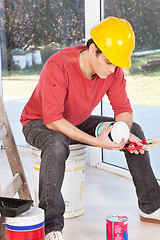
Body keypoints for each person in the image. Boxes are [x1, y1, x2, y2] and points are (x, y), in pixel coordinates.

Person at [20, 16, 160, 240]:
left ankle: (151, 206)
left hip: (77, 120)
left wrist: (122, 131)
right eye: (109, 62)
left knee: (137, 132)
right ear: (94, 49)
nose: (113, 69)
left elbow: (123, 108)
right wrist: (97, 142)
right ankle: (51, 225)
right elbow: (53, 120)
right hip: (39, 122)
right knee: (57, 141)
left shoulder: (112, 71)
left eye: (116, 64)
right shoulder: (59, 65)